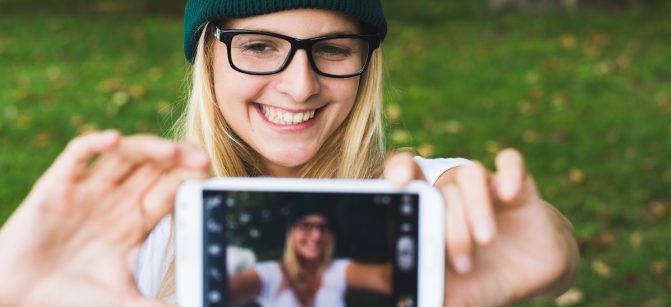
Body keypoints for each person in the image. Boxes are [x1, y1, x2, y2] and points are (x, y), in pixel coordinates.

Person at [0, 1, 580, 306]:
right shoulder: (138, 224)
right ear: (207, 58)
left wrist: (544, 245)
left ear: (367, 65)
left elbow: (538, 248)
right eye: (258, 46)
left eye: (331, 49)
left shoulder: (420, 202)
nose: (299, 85)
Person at [227, 208, 391, 307]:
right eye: (306, 226)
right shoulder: (271, 273)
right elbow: (231, 290)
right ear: (291, 233)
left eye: (323, 227)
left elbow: (383, 277)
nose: (316, 235)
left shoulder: (337, 270)